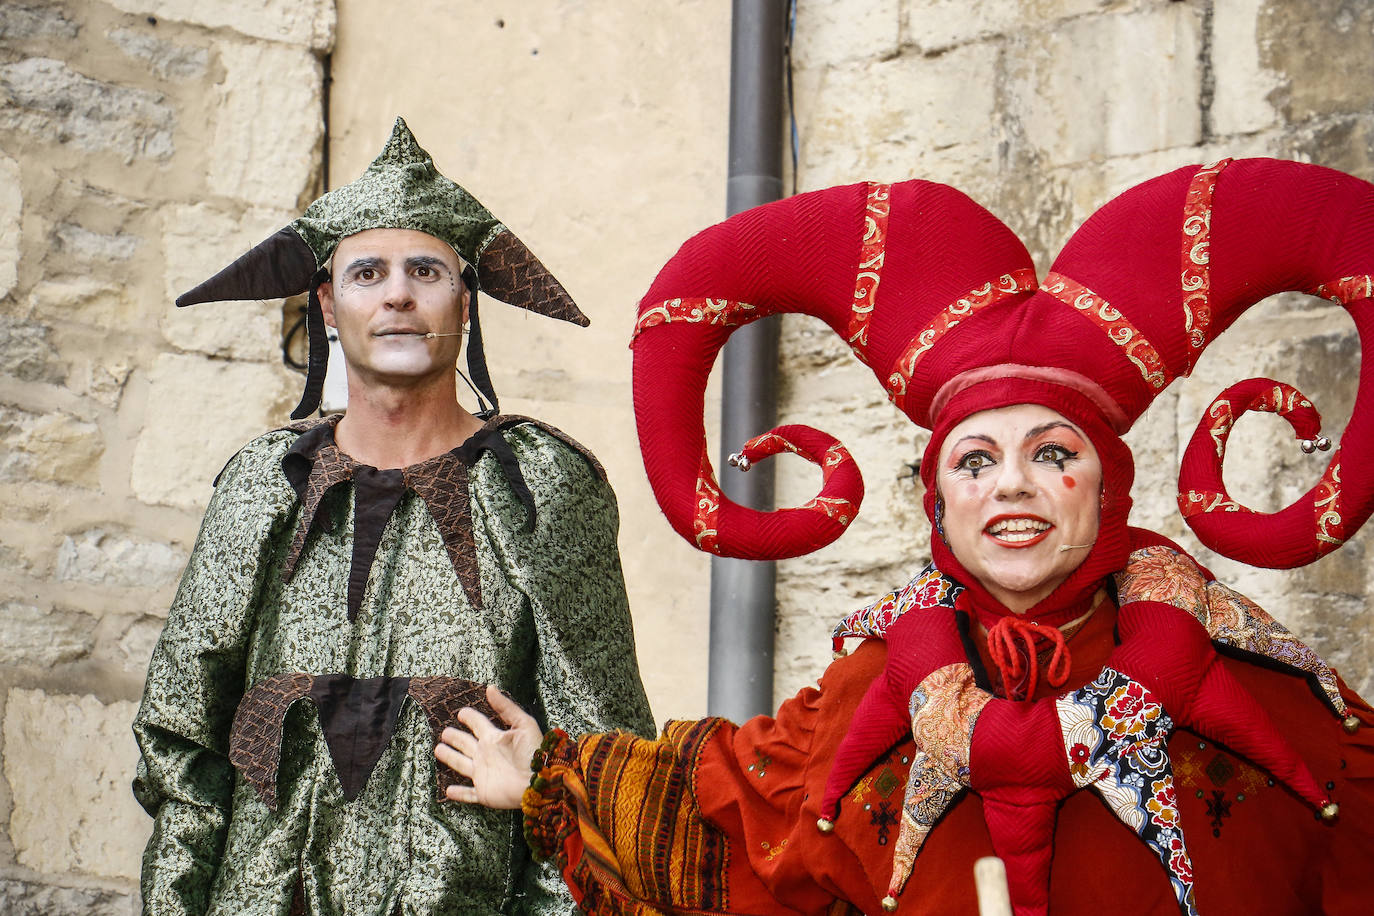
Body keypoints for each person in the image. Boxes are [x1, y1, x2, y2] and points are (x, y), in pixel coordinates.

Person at [437, 161, 1374, 915]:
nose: (1011, 482)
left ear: (1105, 486)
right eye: (974, 461)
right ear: (939, 502)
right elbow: (736, 817)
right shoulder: (869, 692)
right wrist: (552, 779)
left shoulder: (1256, 691)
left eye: (1051, 453)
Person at [133, 118, 654, 916]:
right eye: (367, 273)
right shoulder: (262, 485)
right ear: (328, 307)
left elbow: (604, 766)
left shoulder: (542, 485)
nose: (398, 293)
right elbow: (182, 742)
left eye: (426, 270)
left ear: (467, 302)